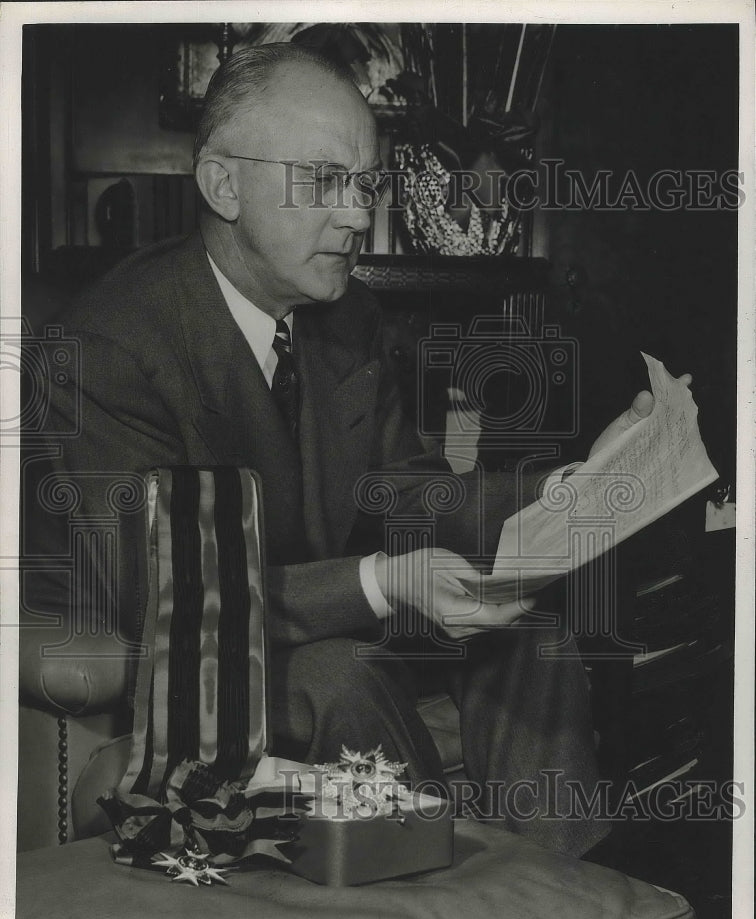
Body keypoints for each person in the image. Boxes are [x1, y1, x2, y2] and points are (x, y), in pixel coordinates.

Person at [23, 43, 662, 857]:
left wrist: (567, 487)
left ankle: (560, 897)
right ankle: (437, 897)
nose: (359, 214)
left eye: (365, 183)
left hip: (321, 609)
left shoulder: (347, 315)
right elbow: (160, 598)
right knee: (340, 676)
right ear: (223, 185)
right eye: (323, 181)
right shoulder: (109, 348)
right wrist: (388, 583)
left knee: (532, 639)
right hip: (188, 656)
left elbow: (409, 488)